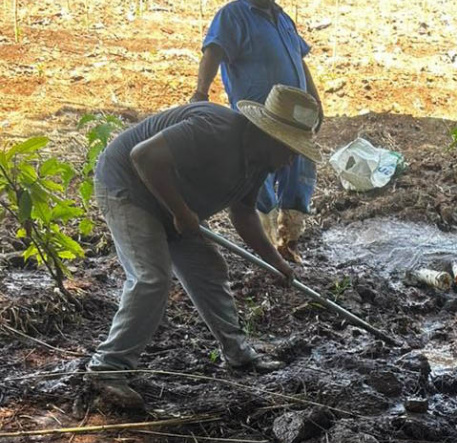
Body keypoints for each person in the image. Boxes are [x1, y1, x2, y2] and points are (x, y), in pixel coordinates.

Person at [89, 85, 323, 410]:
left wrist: (275, 261)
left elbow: (243, 214)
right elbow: (143, 156)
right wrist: (180, 211)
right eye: (290, 148)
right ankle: (108, 368)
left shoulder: (258, 161)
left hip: (176, 203)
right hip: (129, 186)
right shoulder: (216, 129)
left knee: (209, 270)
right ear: (269, 135)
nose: (291, 158)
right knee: (152, 278)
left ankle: (238, 353)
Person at [191, 0, 323, 263]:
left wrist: (316, 100)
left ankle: (289, 243)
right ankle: (267, 247)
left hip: (293, 120)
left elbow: (299, 58)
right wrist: (201, 92)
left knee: (297, 173)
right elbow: (213, 52)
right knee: (258, 180)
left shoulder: (283, 18)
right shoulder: (233, 15)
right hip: (261, 121)